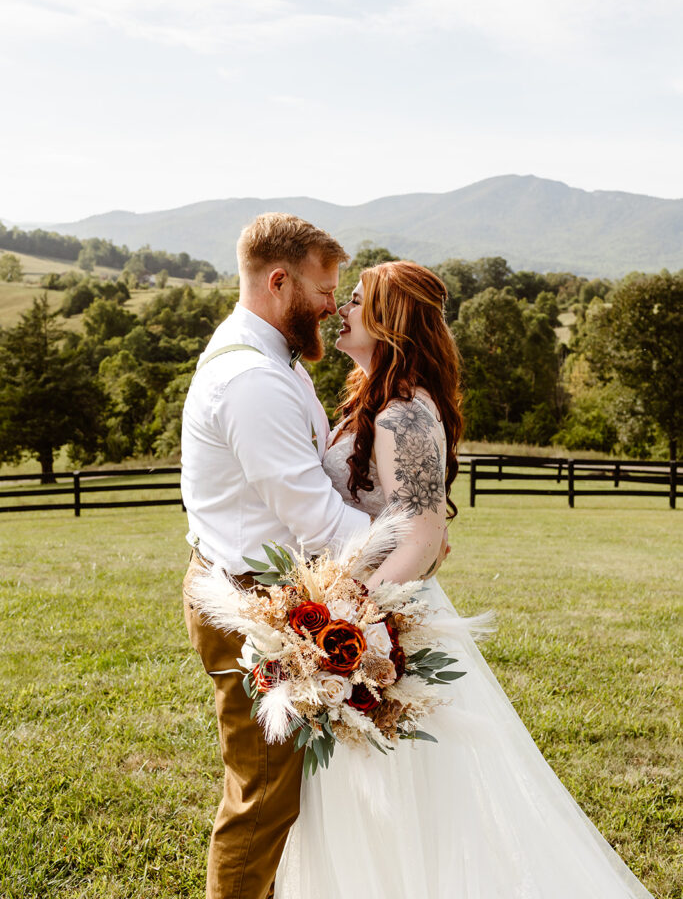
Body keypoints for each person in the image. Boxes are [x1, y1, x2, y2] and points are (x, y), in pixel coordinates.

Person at [274, 260, 654, 899]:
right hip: (363, 614)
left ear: (390, 320)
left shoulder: (403, 414)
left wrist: (353, 623)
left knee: (415, 791)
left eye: (358, 300)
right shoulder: (372, 398)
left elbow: (421, 536)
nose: (341, 308)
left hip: (386, 624)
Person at [181, 212, 373, 899]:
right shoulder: (253, 381)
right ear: (278, 279)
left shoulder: (264, 357)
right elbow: (316, 519)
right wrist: (409, 546)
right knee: (261, 802)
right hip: (247, 610)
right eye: (325, 289)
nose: (332, 303)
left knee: (277, 793)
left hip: (265, 594)